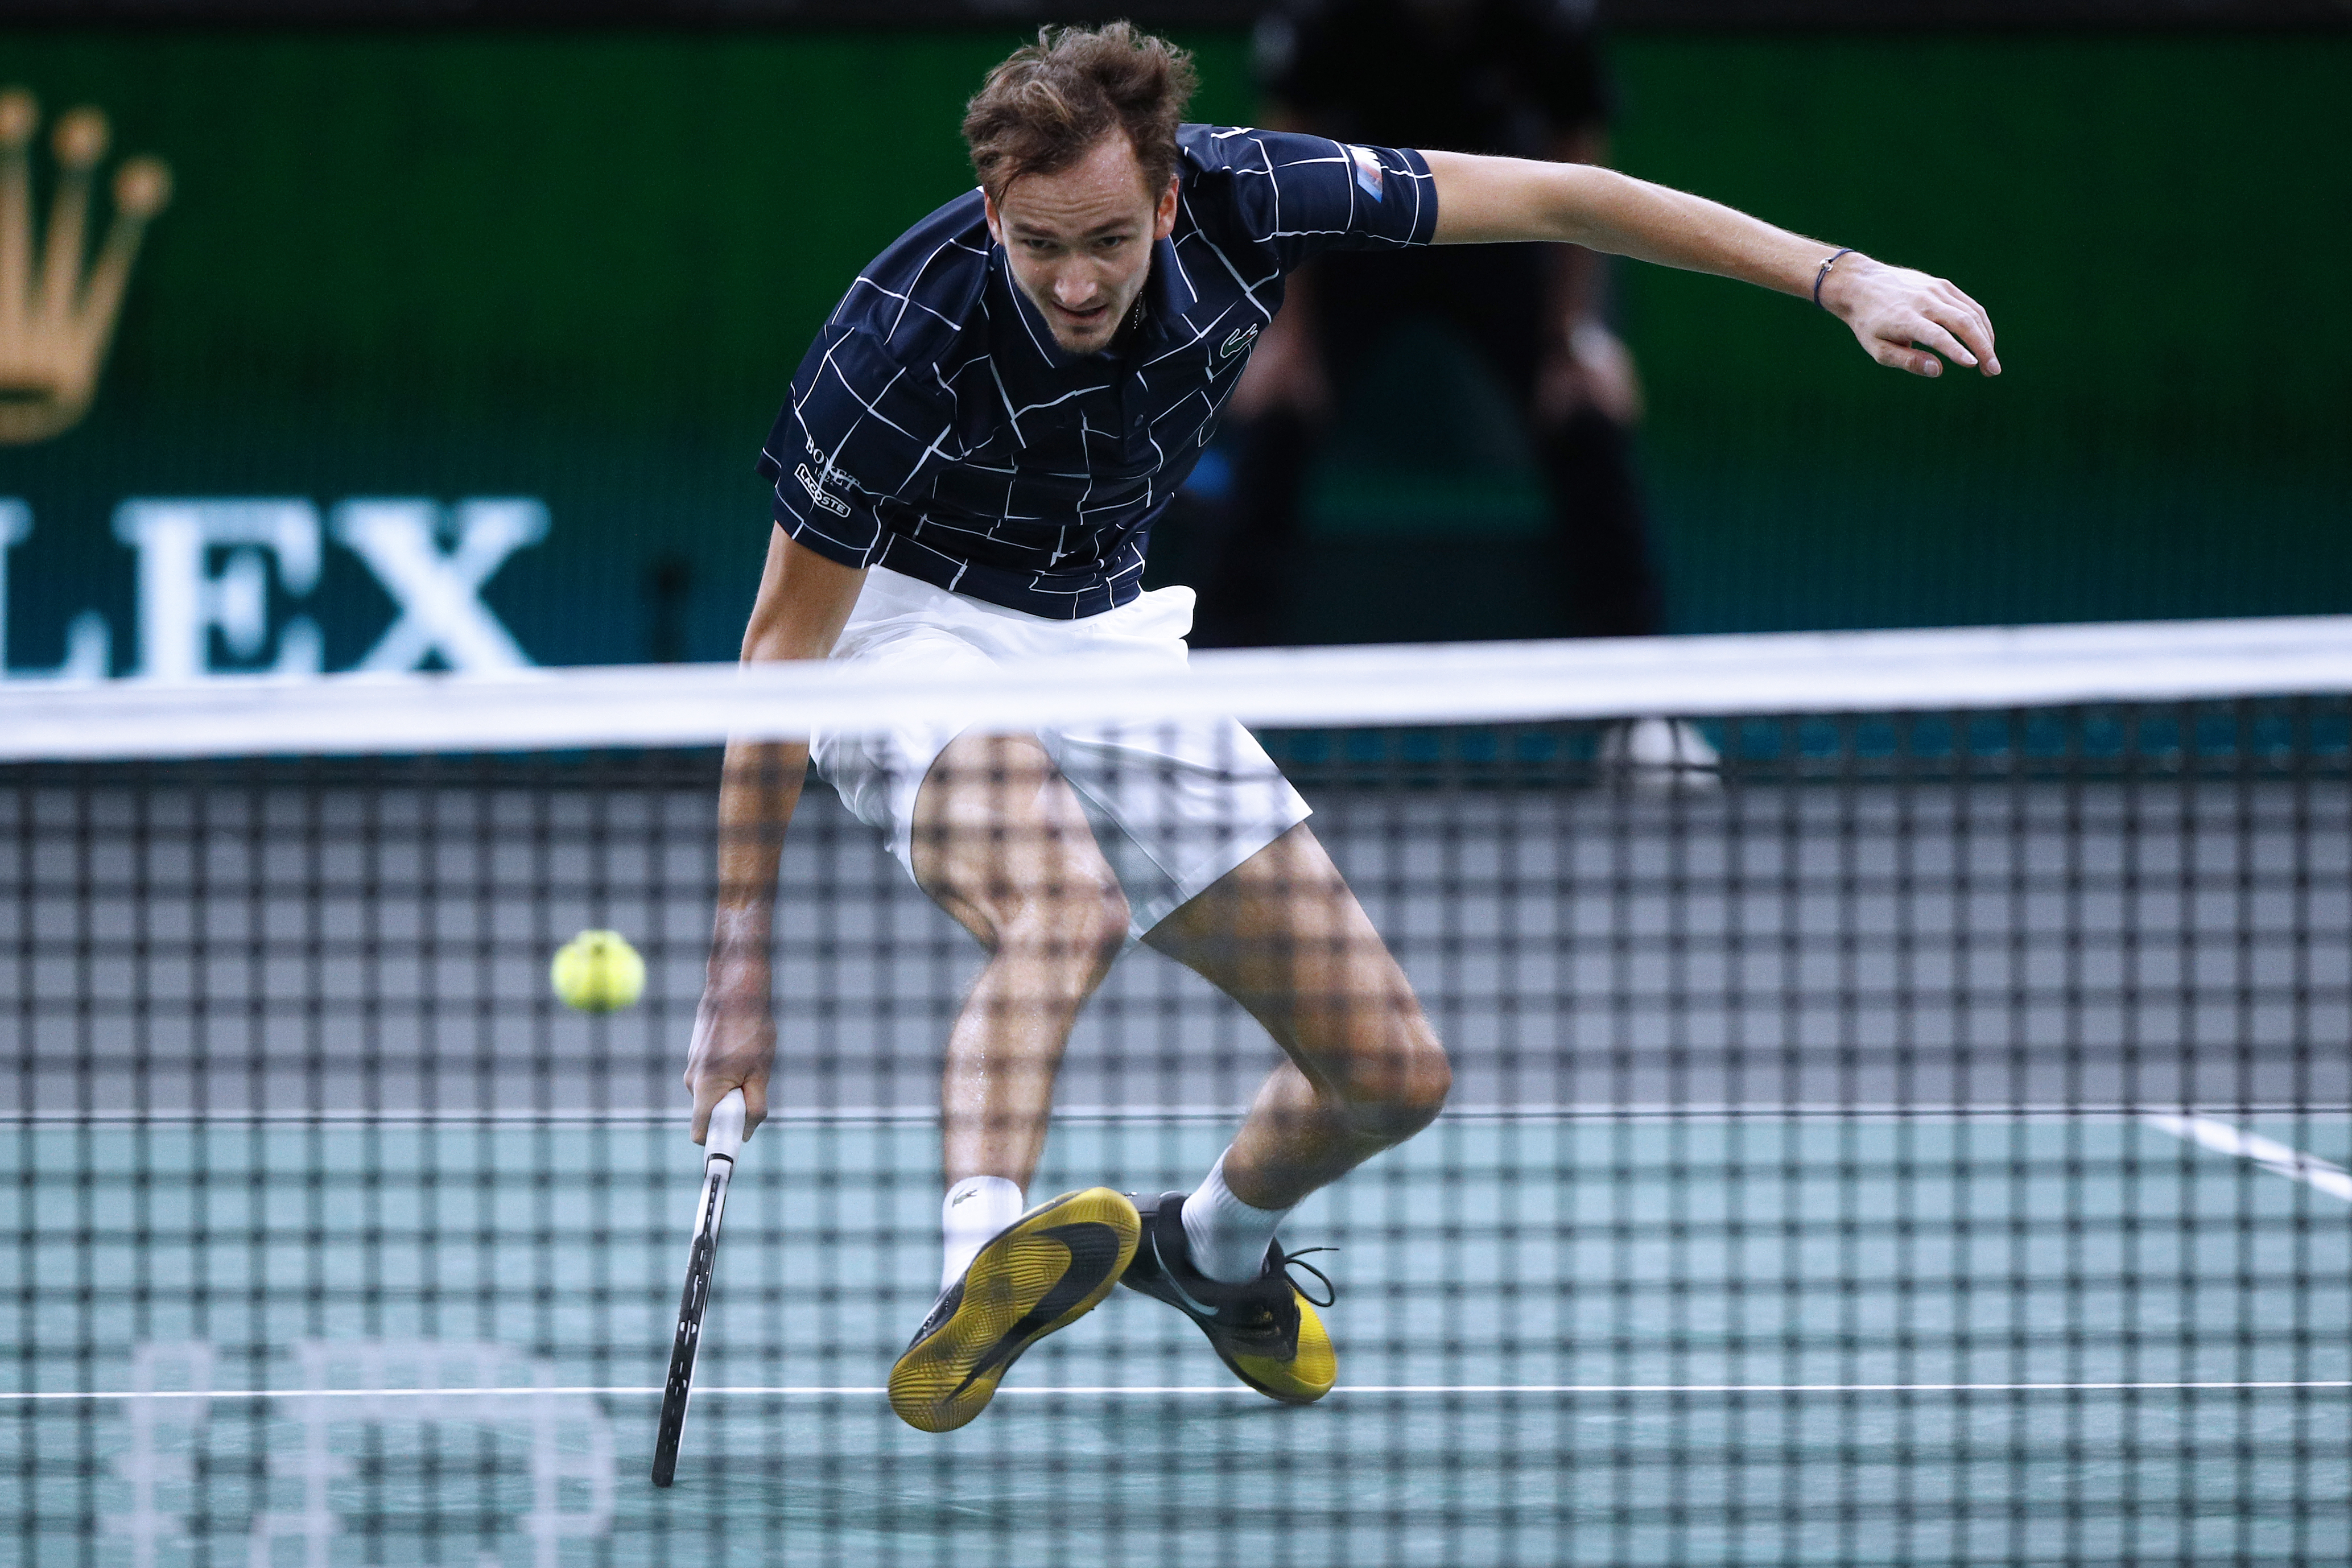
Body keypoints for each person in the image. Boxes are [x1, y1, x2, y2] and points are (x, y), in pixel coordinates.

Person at [683, 22, 1996, 1434]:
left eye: (1110, 241)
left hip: (1106, 628)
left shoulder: (1265, 194)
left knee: (1389, 1073)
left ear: (1171, 201)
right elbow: (780, 648)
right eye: (1042, 242)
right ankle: (976, 1270)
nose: (1075, 280)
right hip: (910, 630)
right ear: (995, 210)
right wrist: (739, 953)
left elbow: (1568, 196)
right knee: (1065, 905)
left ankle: (1213, 1244)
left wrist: (1840, 274)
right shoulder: (899, 341)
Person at [1210, 0, 1714, 783]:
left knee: (1585, 410)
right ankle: (1220, 708)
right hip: (1352, 238)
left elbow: (1579, 161)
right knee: (1272, 412)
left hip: (1497, 238)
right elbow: (1282, 161)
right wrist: (1288, 336)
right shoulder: (1323, 20)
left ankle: (1640, 707)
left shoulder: (1550, 21)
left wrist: (1573, 333)